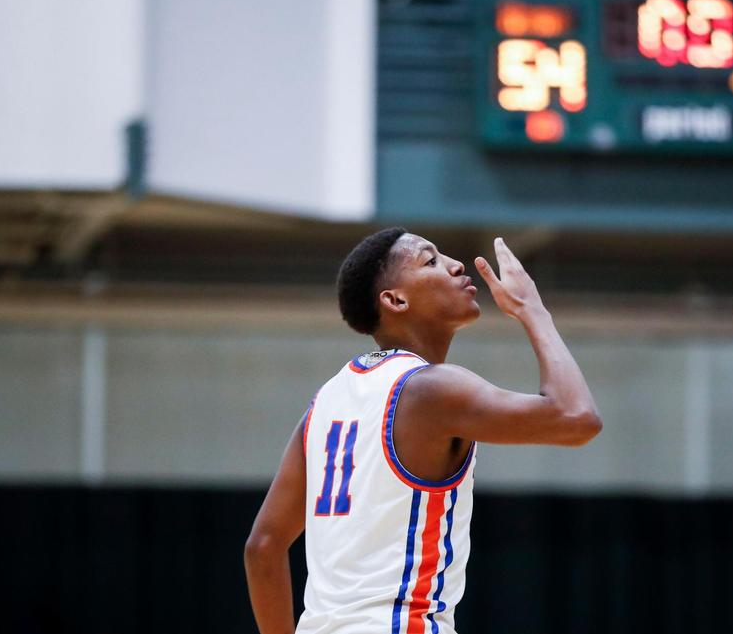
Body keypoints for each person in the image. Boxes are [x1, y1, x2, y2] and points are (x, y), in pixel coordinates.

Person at [244, 228, 601, 634]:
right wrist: (533, 311)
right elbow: (577, 418)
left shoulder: (327, 401)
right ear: (395, 300)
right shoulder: (431, 387)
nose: (455, 264)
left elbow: (263, 547)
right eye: (430, 261)